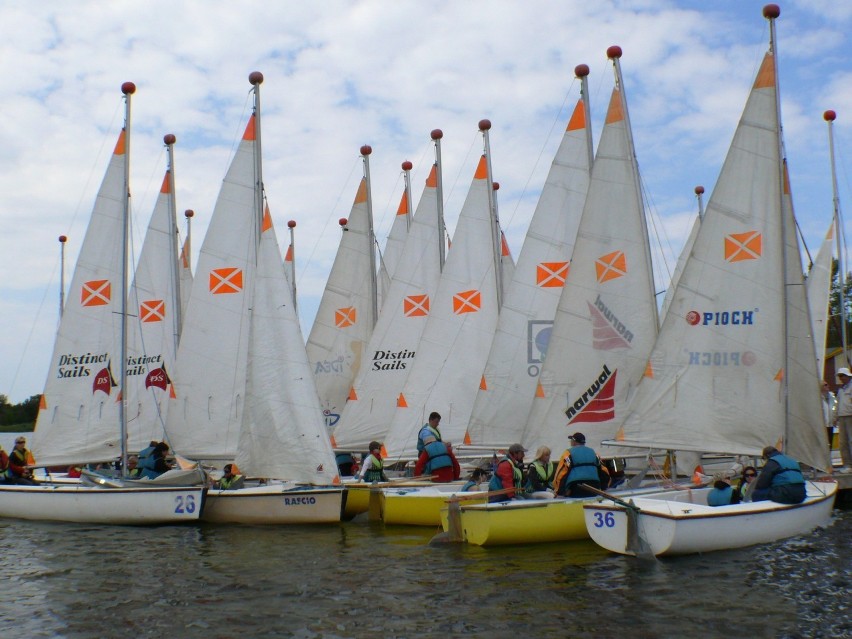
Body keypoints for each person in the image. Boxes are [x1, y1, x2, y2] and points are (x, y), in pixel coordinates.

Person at [553, 432, 607, 498]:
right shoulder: (594, 453)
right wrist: (604, 487)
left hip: (576, 487)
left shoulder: (568, 453)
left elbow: (561, 474)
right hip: (594, 487)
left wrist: (559, 492)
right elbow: (604, 471)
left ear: (573, 441)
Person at [834, 368, 852, 472]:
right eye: (840, 376)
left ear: (848, 376)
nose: (841, 378)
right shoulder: (841, 390)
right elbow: (837, 404)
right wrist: (835, 417)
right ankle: (847, 464)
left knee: (851, 441)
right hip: (842, 416)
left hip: (850, 415)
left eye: (843, 375)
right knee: (843, 442)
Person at [822, 380, 837, 452]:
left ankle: (829, 460)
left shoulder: (831, 397)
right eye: (826, 385)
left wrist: (835, 419)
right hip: (823, 425)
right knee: (823, 444)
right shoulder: (819, 399)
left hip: (830, 424)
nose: (828, 386)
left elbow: (834, 408)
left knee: (830, 443)